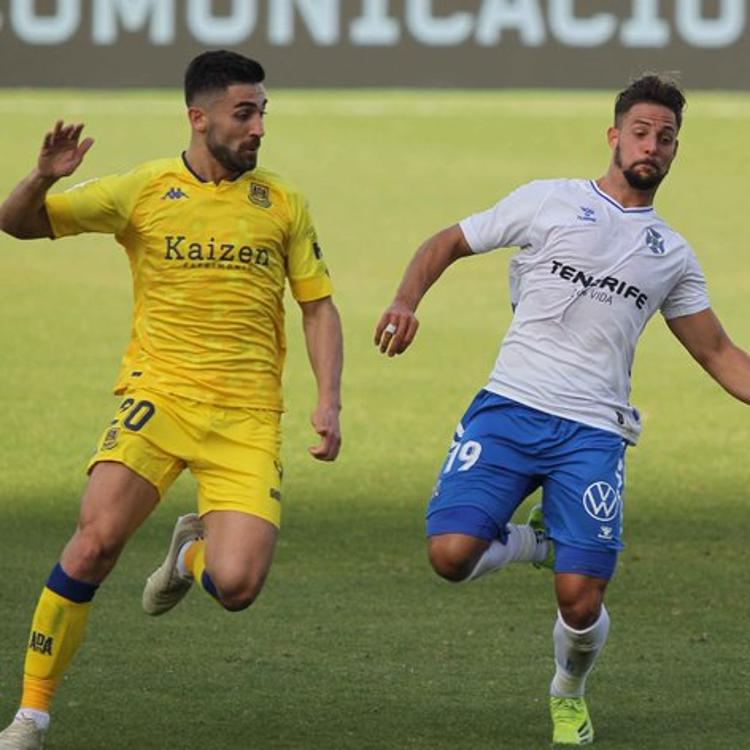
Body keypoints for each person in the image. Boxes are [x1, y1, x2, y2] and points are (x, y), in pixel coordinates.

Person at [374, 74, 749, 746]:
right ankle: (538, 543)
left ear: (674, 151)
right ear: (614, 135)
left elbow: (720, 352)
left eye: (666, 138)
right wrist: (406, 299)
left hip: (594, 433)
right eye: (641, 131)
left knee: (581, 601)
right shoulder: (549, 201)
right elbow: (447, 242)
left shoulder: (672, 256)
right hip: (509, 409)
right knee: (450, 555)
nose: (652, 146)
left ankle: (567, 693)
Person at [0, 50, 342, 749]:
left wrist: (329, 400)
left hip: (245, 417)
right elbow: (17, 223)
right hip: (158, 399)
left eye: (262, 114)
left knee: (238, 583)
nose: (257, 129)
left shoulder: (282, 202)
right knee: (94, 543)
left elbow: (317, 307)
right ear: (199, 117)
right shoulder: (143, 189)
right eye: (244, 114)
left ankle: (191, 555)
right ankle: (31, 715)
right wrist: (41, 176)